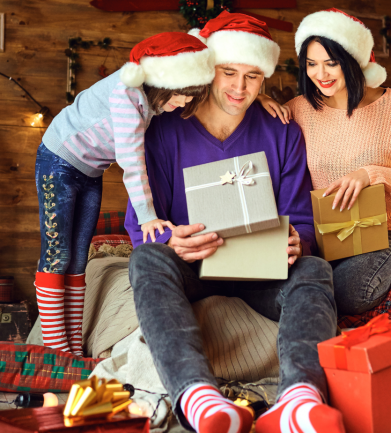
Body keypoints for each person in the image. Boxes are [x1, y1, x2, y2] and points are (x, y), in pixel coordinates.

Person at [125, 12, 345, 433]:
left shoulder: (282, 131)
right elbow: (142, 225)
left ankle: (300, 399)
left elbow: (300, 217)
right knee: (147, 261)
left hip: (260, 271)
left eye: (253, 76)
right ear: (210, 70)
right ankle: (198, 397)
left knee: (315, 269)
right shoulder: (164, 129)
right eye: (229, 72)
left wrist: (298, 241)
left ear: (264, 79)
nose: (239, 88)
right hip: (194, 265)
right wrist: (171, 240)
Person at [34, 32, 216, 355]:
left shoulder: (155, 101)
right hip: (58, 161)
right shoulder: (126, 96)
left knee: (78, 261)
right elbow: (132, 161)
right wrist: (148, 217)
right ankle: (56, 350)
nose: (185, 102)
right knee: (57, 256)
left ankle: (74, 349)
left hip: (90, 172)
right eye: (181, 94)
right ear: (162, 80)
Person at [286, 8, 391, 316]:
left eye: (331, 63)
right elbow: (253, 120)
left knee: (349, 295)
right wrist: (261, 100)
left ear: (352, 59)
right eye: (311, 64)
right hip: (331, 234)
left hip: (390, 229)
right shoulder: (299, 109)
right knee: (304, 289)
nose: (320, 74)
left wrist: (371, 174)